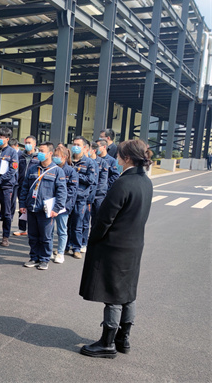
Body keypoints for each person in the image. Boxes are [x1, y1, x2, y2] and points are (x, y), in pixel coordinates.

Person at [79, 139, 153, 358]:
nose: (116, 156)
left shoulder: (123, 183)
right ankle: (123, 338)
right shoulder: (146, 181)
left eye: (119, 154)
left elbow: (105, 219)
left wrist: (93, 239)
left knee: (112, 294)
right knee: (128, 292)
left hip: (114, 246)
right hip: (134, 244)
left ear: (127, 158)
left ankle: (107, 343)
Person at [18, 141, 67, 270]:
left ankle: (44, 259)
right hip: (32, 207)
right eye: (39, 150)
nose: (39, 153)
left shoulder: (57, 171)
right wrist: (22, 204)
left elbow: (62, 192)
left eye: (42, 151)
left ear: (50, 153)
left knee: (46, 236)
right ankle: (34, 257)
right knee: (32, 236)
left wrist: (56, 209)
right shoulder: (33, 169)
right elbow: (25, 188)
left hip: (46, 210)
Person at [67, 136, 97, 259]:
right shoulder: (69, 160)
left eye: (78, 145)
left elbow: (91, 180)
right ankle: (66, 247)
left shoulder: (89, 162)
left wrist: (75, 175)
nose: (75, 147)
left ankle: (76, 248)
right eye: (74, 144)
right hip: (68, 197)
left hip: (80, 198)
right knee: (67, 224)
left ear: (84, 147)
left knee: (77, 225)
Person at [51, 145, 78, 264]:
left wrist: (61, 201)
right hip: (50, 205)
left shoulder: (71, 171)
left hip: (63, 206)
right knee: (49, 230)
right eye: (54, 156)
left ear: (65, 157)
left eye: (58, 156)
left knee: (62, 230)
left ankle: (60, 253)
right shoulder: (51, 168)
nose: (55, 158)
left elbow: (72, 190)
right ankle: (49, 251)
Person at [13, 136, 39, 237]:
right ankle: (22, 228)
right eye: (26, 142)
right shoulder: (20, 156)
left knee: (33, 206)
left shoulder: (38, 157)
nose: (27, 145)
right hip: (21, 185)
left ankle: (33, 228)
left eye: (29, 143)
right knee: (22, 206)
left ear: (34, 144)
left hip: (34, 186)